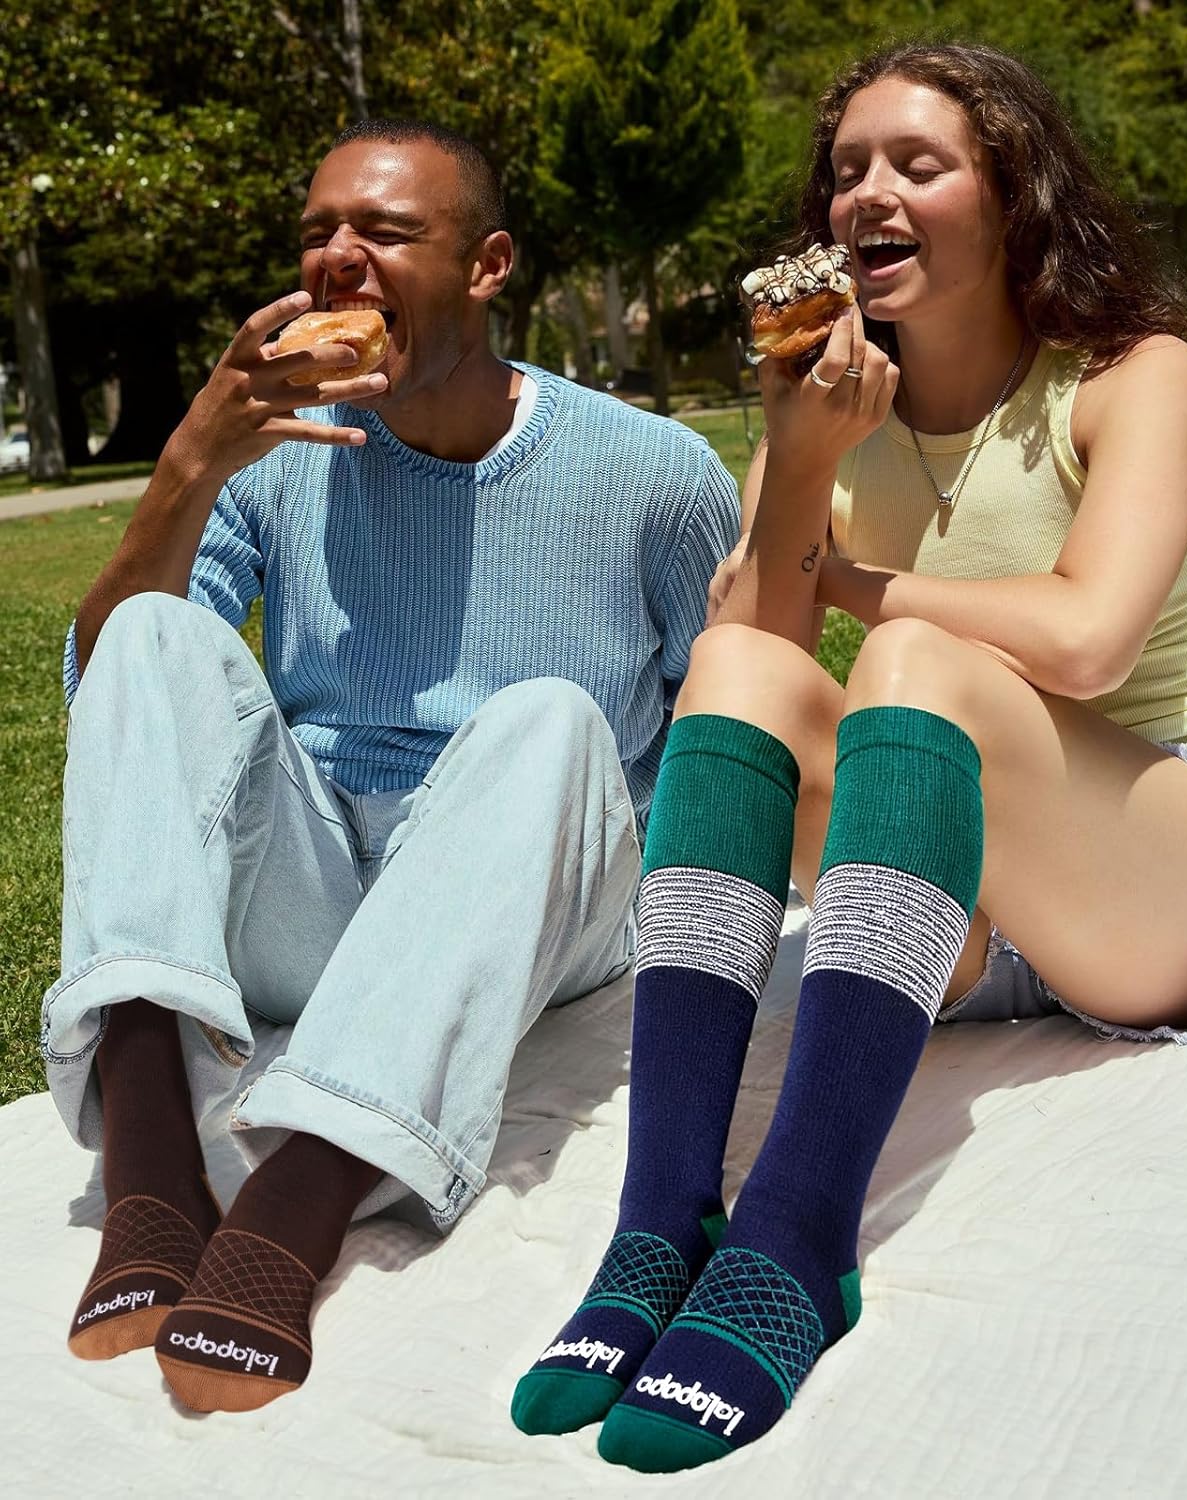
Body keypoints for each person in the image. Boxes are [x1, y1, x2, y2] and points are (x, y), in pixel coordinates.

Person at [512, 41, 1187, 1471]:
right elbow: (749, 656)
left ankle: (797, 1237)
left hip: (1145, 882)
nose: (865, 194)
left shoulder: (1135, 370)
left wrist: (857, 585)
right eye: (846, 170)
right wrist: (803, 463)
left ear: (1012, 192)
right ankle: (661, 1221)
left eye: (916, 164)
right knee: (733, 667)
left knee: (914, 660)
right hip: (950, 911)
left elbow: (1087, 643)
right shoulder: (824, 398)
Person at [42, 118, 740, 1414]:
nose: (339, 258)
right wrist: (191, 463)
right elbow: (111, 699)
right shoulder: (275, 454)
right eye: (318, 232)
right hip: (317, 898)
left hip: (540, 900)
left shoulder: (654, 473)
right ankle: (150, 1172)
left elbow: (735, 717)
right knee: (146, 631)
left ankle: (297, 1200)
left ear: (487, 266)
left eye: (386, 231)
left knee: (547, 717)